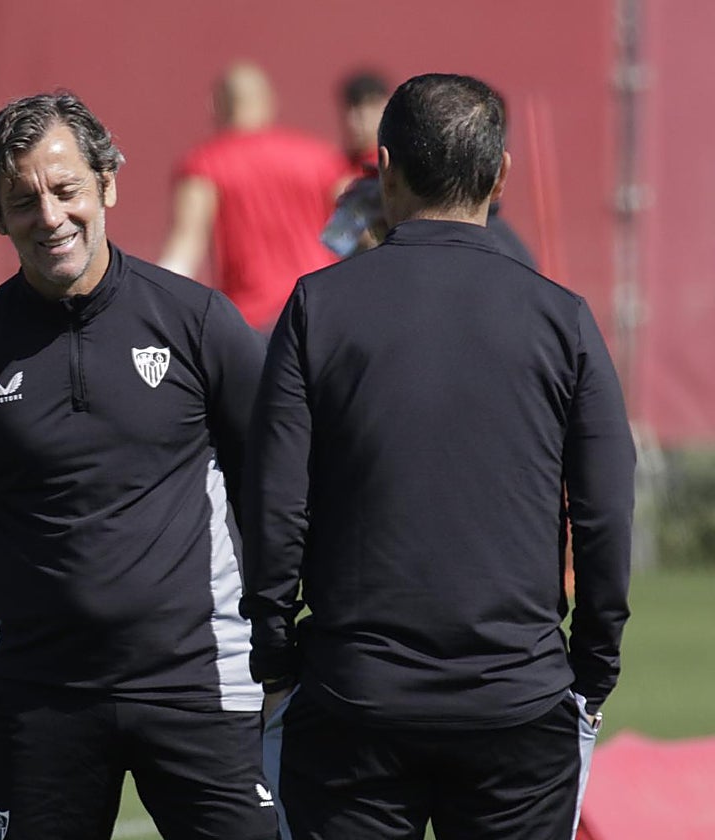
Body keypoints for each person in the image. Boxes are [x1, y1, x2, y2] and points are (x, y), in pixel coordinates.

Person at [241, 73, 635, 839]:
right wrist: (592, 668)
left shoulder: (317, 309)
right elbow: (605, 515)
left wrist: (276, 659)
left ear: (383, 166)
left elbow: (274, 504)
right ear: (501, 174)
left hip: (353, 702)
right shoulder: (564, 320)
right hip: (518, 706)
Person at [0, 91, 277, 840]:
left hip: (199, 687)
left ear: (106, 183)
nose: (49, 217)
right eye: (23, 201)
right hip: (40, 695)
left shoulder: (198, 323)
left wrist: (269, 627)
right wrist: (37, 590)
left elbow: (274, 483)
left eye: (66, 189)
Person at [159, 61, 343, 331]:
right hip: (322, 312)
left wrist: (154, 303)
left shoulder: (205, 164)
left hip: (253, 321)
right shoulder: (323, 159)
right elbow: (352, 234)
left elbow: (186, 244)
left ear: (215, 105)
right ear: (270, 100)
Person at [333, 69, 390, 193]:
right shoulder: (337, 165)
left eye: (361, 115)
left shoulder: (392, 165)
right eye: (350, 113)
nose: (353, 122)